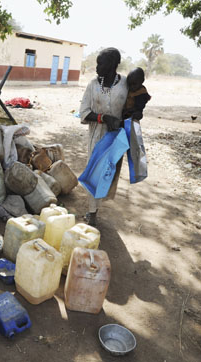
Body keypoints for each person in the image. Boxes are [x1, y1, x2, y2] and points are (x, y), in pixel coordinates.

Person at [79, 47, 128, 227]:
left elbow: (132, 108)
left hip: (116, 139)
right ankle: (92, 211)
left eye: (101, 63)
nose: (97, 66)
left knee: (107, 173)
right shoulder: (93, 85)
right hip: (97, 137)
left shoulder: (125, 85)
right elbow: (83, 112)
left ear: (113, 64)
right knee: (94, 172)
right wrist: (103, 118)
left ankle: (98, 207)